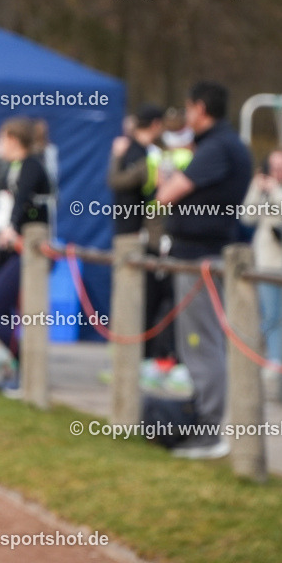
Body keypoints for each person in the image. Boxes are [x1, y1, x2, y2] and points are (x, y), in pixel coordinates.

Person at [155, 81, 252, 459]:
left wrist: (164, 177)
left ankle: (209, 432)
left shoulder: (218, 147)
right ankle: (203, 423)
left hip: (201, 259)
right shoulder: (221, 145)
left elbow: (166, 195)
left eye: (188, 108)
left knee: (201, 344)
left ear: (199, 108)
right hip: (199, 255)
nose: (186, 116)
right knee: (198, 343)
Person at [108, 104, 177, 370]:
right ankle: (137, 359)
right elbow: (117, 182)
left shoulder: (146, 154)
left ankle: (143, 357)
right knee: (142, 299)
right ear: (157, 125)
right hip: (140, 237)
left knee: (145, 298)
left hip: (142, 236)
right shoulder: (143, 157)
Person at [0, 117, 50, 377]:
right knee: (3, 310)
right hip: (12, 251)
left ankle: (29, 370)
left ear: (12, 139)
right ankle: (22, 369)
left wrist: (11, 227)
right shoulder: (14, 166)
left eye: (1, 138)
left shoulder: (31, 166)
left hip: (29, 252)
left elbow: (24, 202)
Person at [240, 150, 282, 391]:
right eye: (274, 167)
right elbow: (247, 218)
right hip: (266, 264)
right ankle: (271, 359)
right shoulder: (266, 193)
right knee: (269, 314)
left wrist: (275, 190)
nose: (279, 172)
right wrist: (256, 188)